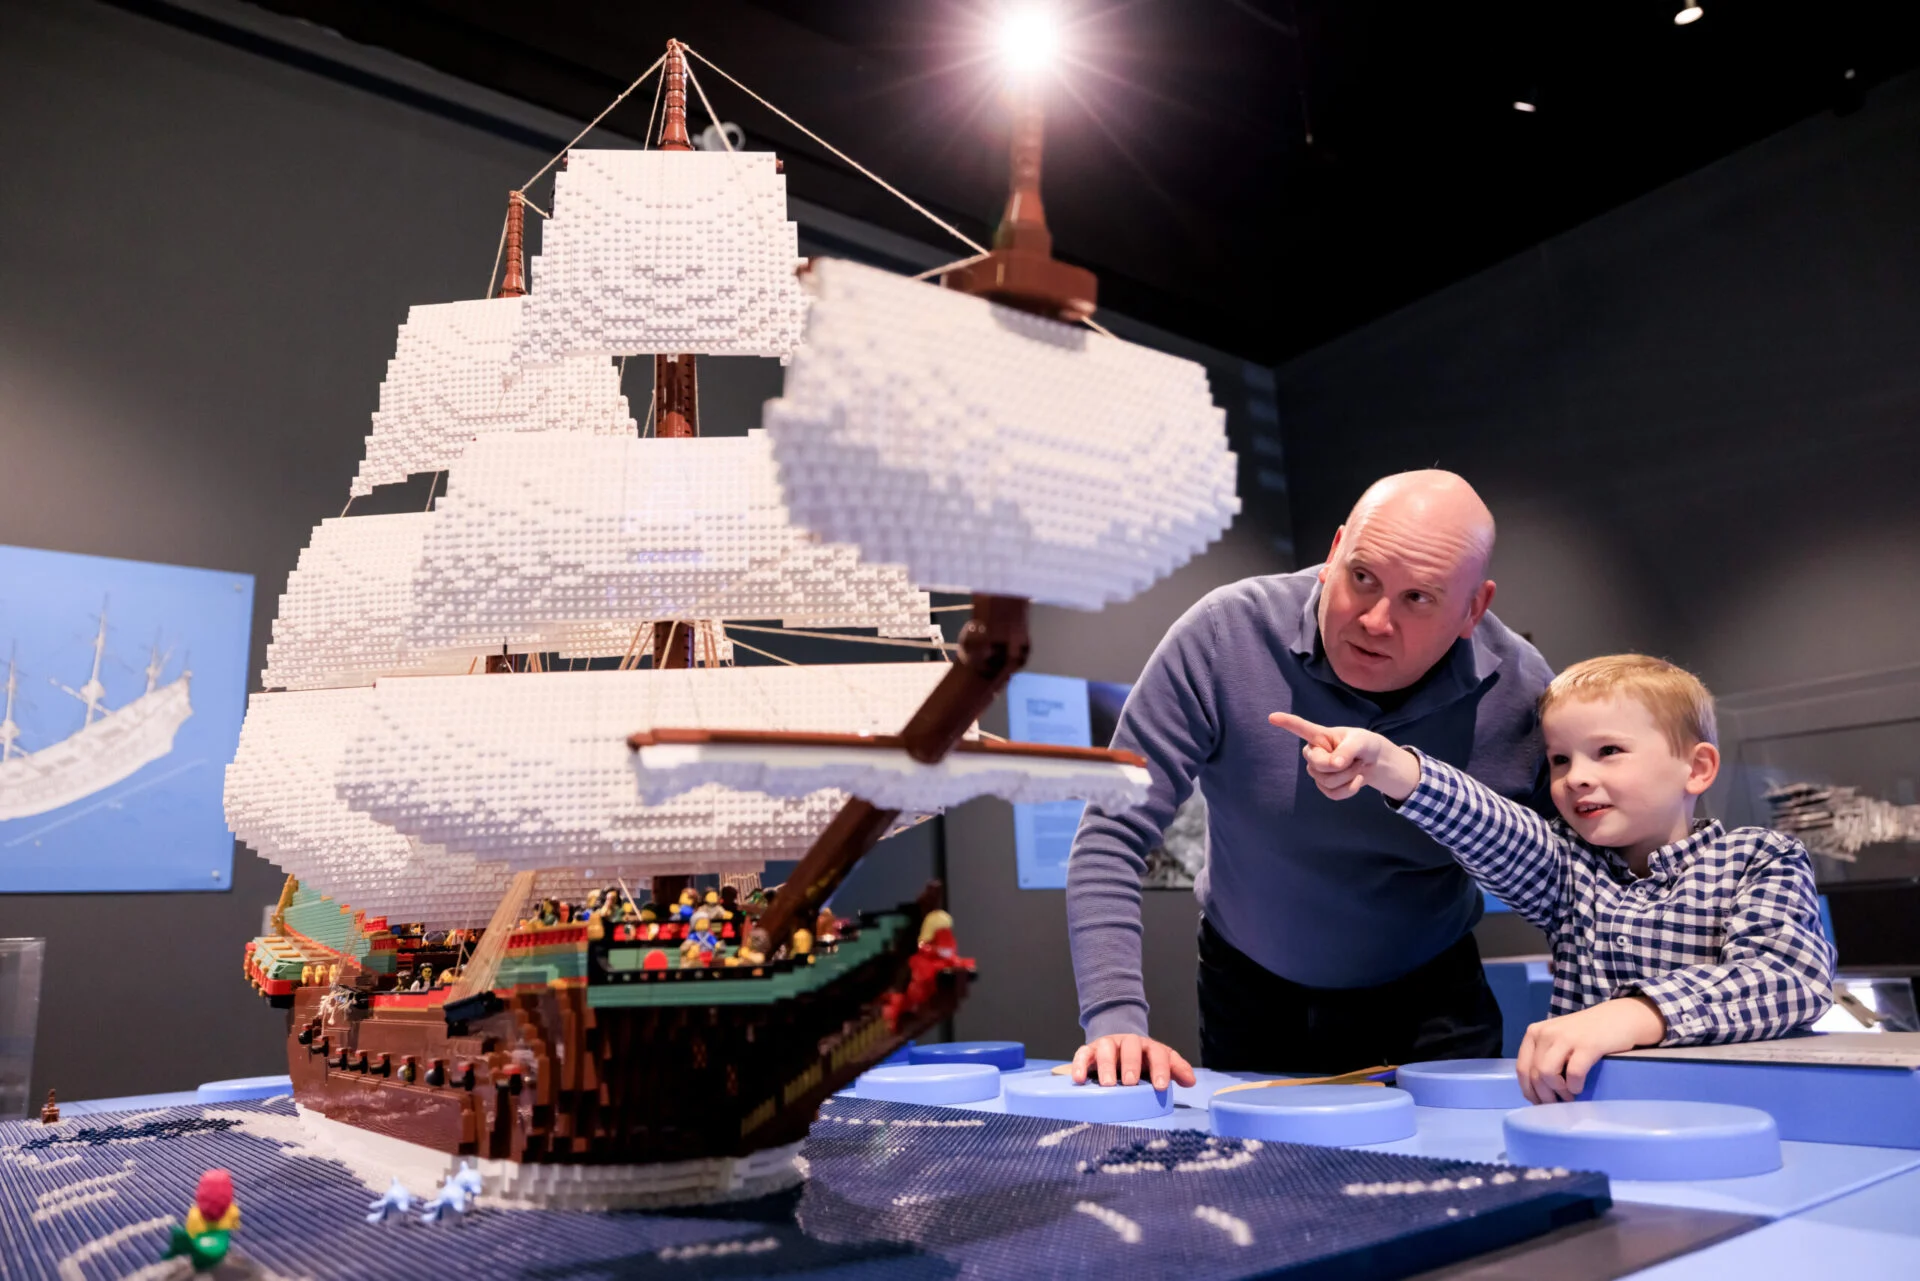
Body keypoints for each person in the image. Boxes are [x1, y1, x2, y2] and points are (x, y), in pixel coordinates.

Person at [1067, 470, 1553, 1090]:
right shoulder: (1224, 633)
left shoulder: (1521, 688)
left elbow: (1582, 878)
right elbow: (1112, 832)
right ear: (1335, 551)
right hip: (1248, 992)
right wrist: (1113, 1018)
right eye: (1362, 577)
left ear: (1472, 609)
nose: (1376, 620)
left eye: (1418, 598)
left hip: (1433, 998)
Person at [1271, 653, 1834, 1103]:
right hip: (1586, 1119)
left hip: (1733, 1113)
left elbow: (1790, 978)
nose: (1576, 777)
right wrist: (1392, 767)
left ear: (1697, 767)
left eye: (1608, 751)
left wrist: (1637, 1013)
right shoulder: (1571, 868)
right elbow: (1489, 826)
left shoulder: (1760, 857)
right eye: (1560, 760)